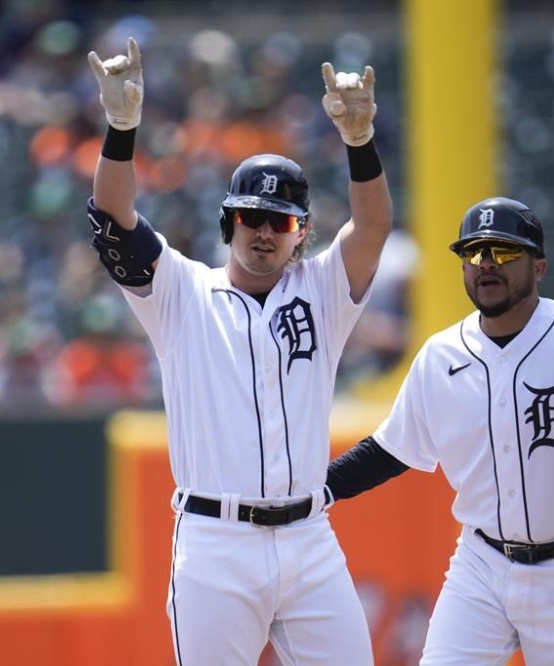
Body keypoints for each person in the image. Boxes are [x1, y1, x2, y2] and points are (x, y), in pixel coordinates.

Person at [86, 37, 393, 665]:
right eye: (250, 216)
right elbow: (114, 214)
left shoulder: (324, 292)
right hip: (214, 540)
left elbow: (373, 227)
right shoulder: (180, 292)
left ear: (301, 232)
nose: (262, 231)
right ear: (229, 222)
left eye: (279, 221)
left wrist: (359, 142)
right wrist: (121, 129)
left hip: (309, 537)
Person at [326, 197, 554, 665]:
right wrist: (313, 489)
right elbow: (389, 452)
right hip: (481, 564)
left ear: (539, 267)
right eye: (474, 253)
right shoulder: (441, 355)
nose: (487, 264)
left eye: (505, 252)